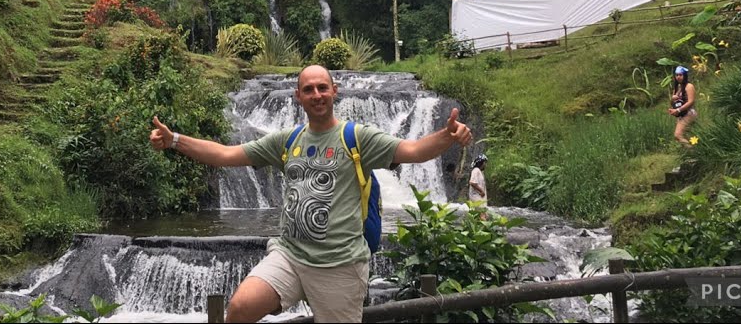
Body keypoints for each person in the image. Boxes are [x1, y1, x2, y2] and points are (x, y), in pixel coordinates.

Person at [148, 64, 473, 323]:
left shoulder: (357, 137)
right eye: (308, 89)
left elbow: (413, 150)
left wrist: (447, 136)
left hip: (340, 264)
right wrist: (175, 140)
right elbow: (224, 155)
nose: (316, 94)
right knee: (240, 308)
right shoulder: (286, 141)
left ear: (335, 91)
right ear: (298, 97)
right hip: (290, 255)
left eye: (322, 87)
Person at [667, 65, 698, 147]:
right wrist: (673, 100)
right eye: (677, 75)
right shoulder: (677, 88)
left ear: (684, 76)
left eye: (680, 75)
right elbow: (673, 102)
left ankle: (692, 152)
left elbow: (691, 101)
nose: (678, 77)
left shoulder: (689, 86)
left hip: (689, 113)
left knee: (678, 135)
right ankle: (691, 153)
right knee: (687, 135)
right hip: (681, 114)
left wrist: (678, 110)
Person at [468, 153, 489, 220]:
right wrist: (481, 191)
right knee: (482, 215)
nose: (485, 164)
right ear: (481, 163)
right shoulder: (476, 170)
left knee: (485, 215)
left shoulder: (479, 171)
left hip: (480, 198)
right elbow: (472, 182)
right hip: (477, 197)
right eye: (485, 162)